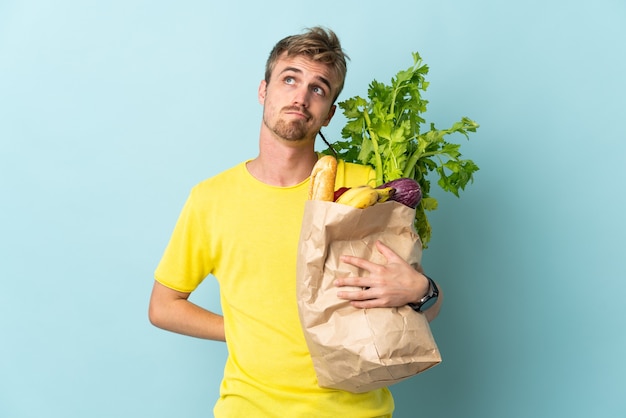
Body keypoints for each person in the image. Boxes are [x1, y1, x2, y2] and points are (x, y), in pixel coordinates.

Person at [148, 26, 442, 417]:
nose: (301, 97)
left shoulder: (367, 188)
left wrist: (422, 289)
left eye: (318, 89)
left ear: (329, 114)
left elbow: (419, 309)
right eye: (290, 79)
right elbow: (163, 306)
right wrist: (243, 329)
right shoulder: (211, 199)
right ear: (263, 91)